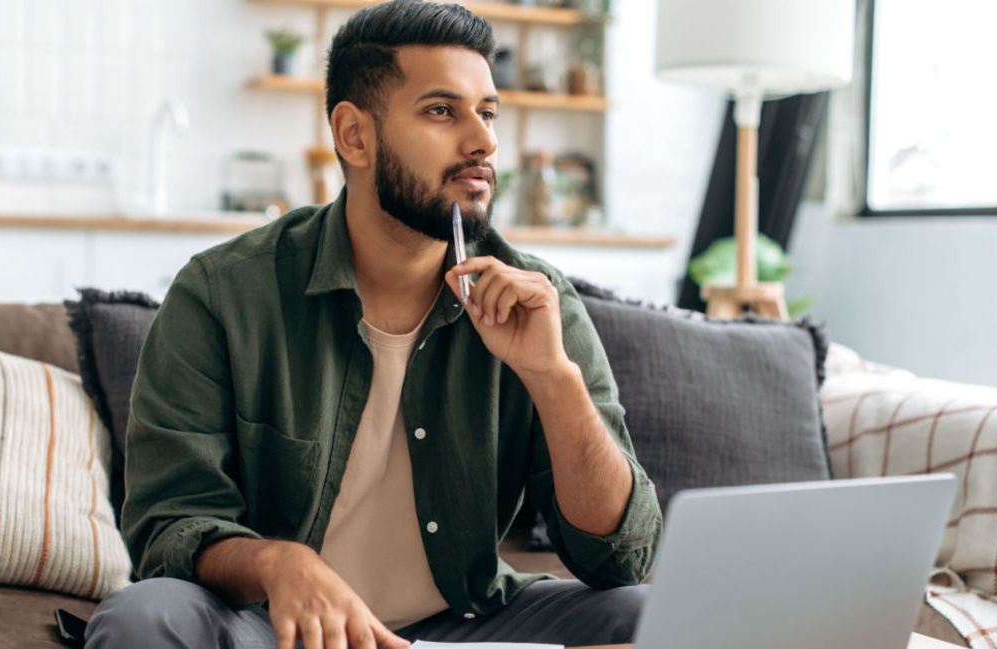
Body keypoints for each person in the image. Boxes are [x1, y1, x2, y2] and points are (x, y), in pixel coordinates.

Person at [85, 1, 661, 648]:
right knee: (143, 617)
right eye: (443, 111)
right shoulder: (223, 293)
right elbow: (168, 526)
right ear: (355, 135)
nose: (484, 141)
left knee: (648, 617)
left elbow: (621, 560)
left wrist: (552, 377)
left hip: (465, 622)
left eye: (488, 112)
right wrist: (279, 564)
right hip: (273, 627)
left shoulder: (539, 300)